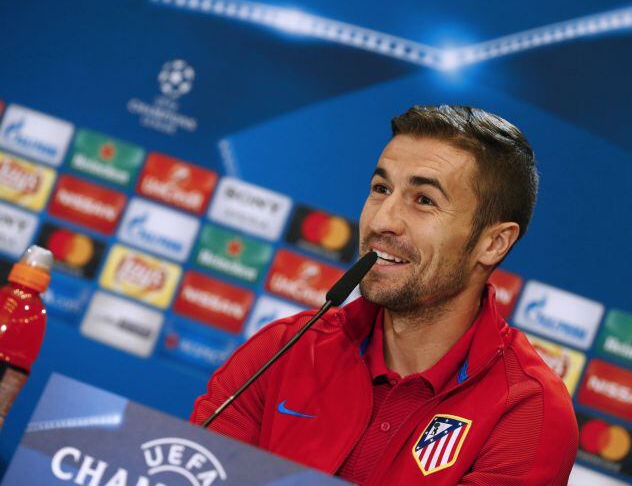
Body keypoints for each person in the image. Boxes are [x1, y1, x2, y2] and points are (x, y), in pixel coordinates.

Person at [191, 105, 578, 485]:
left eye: (424, 200)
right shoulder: (284, 349)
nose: (381, 221)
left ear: (493, 243)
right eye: (381, 189)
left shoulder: (527, 412)